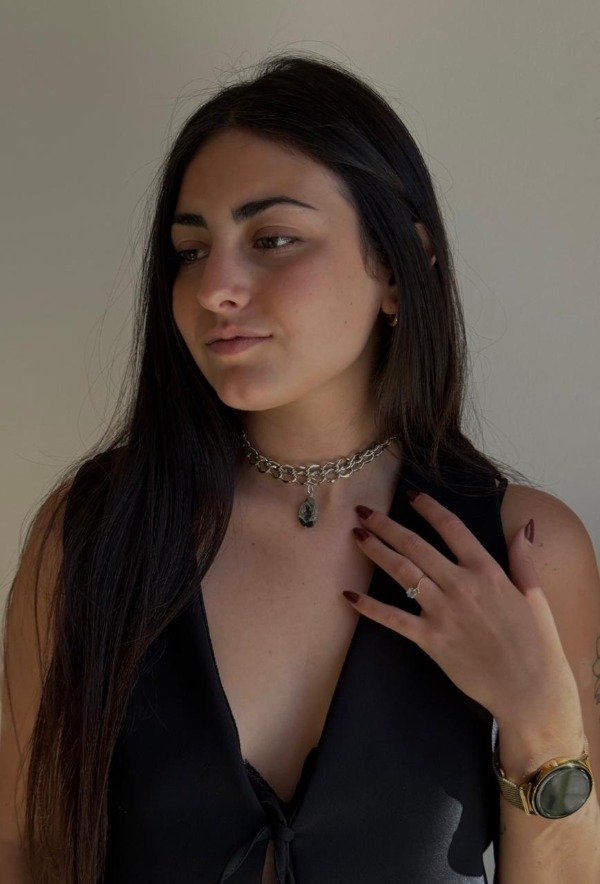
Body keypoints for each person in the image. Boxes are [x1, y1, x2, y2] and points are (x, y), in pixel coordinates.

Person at [3, 53, 597, 884]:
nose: (215, 288)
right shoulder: (94, 532)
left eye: (273, 240)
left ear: (399, 267)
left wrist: (541, 724)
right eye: (190, 250)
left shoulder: (525, 550)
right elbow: (27, 846)